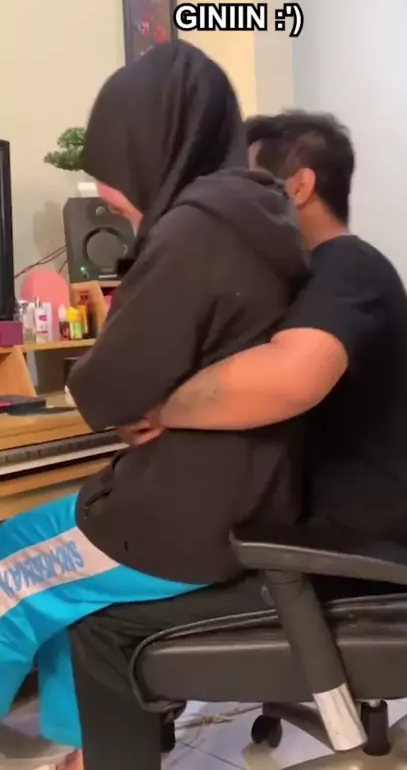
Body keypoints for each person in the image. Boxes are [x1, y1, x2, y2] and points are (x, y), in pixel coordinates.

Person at [67, 112, 407, 770]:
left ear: (298, 186)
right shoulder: (322, 277)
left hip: (358, 560)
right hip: (365, 541)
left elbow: (289, 378)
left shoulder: (343, 264)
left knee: (103, 622)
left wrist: (157, 405)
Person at [0, 49, 309, 768]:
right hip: (249, 501)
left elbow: (103, 392)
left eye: (116, 185)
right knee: (67, 586)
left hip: (186, 520)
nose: (112, 202)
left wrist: (136, 395)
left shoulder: (194, 230)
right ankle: (89, 752)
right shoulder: (260, 213)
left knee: (11, 569)